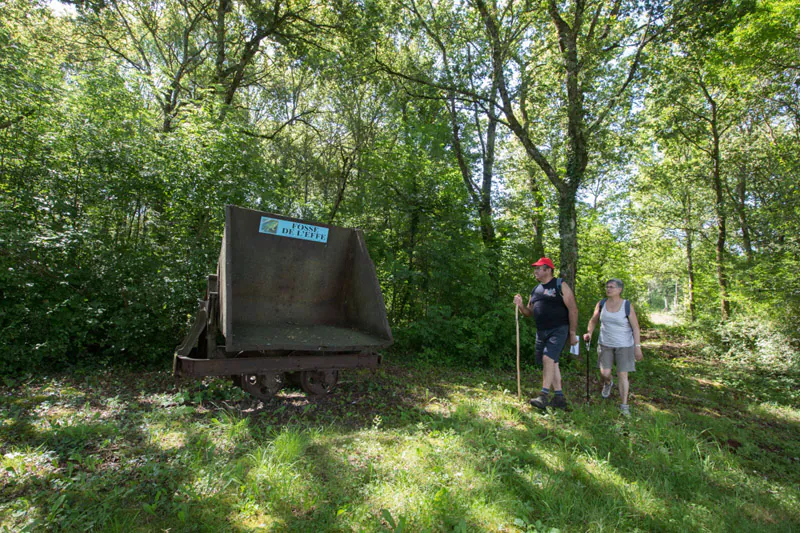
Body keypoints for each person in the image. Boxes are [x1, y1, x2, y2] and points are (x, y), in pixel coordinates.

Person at [513, 257, 579, 410]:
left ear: (548, 270)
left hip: (559, 328)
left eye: (539, 268)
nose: (535, 271)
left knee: (547, 358)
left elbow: (573, 309)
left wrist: (572, 332)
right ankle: (559, 398)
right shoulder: (535, 289)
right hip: (541, 331)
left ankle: (543, 396)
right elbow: (528, 313)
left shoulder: (560, 284)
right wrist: (521, 305)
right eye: (535, 268)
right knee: (553, 362)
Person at [583, 278, 643, 417]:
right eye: (607, 287)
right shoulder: (601, 304)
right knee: (605, 373)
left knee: (623, 375)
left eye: (612, 287)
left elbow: (635, 327)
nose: (608, 289)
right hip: (605, 344)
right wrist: (589, 332)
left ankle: (624, 405)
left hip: (624, 345)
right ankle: (608, 383)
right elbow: (593, 320)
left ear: (620, 290)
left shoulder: (626, 305)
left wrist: (637, 346)